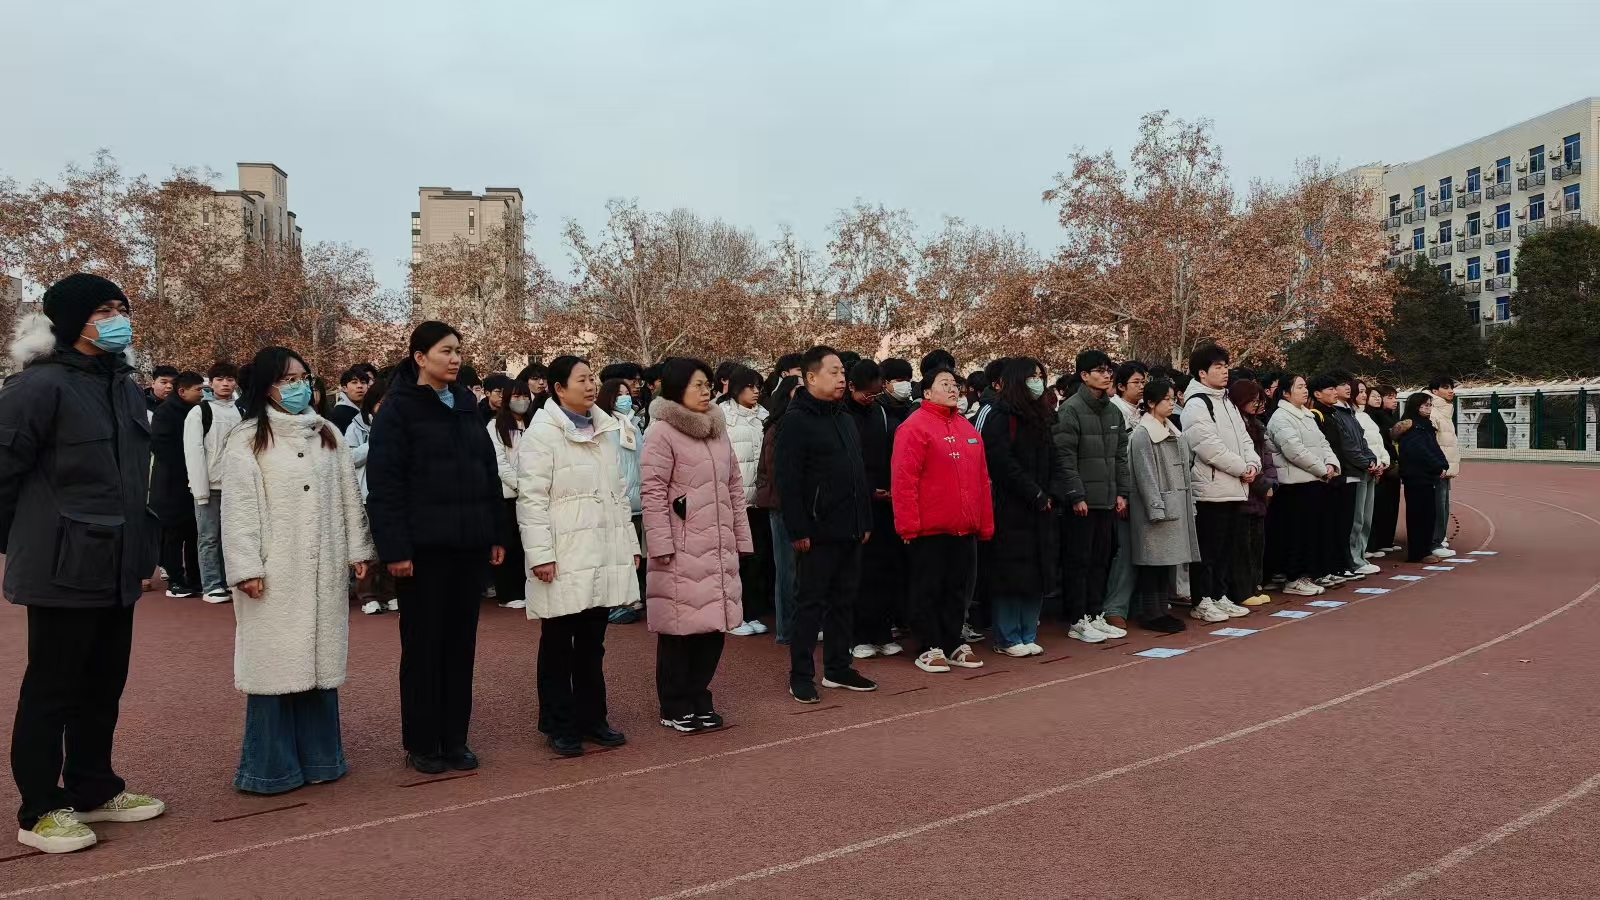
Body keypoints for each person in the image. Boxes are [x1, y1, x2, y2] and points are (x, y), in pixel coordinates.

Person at [2, 273, 165, 853]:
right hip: (59, 568)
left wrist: (141, 552)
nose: (117, 318)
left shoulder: (124, 386)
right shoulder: (37, 386)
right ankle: (40, 809)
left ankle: (94, 787)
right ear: (72, 321)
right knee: (53, 688)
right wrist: (24, 543)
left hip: (115, 565)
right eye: (103, 310)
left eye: (121, 307)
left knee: (103, 684)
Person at [220, 346, 373, 794]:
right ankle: (268, 769)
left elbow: (348, 494)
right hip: (275, 568)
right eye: (288, 379)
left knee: (321, 663)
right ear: (266, 385)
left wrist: (357, 547)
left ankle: (323, 759)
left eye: (303, 378)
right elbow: (239, 509)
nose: (299, 386)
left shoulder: (326, 432)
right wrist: (246, 566)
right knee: (274, 665)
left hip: (323, 568)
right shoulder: (248, 437)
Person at [367, 322, 504, 775]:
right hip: (422, 551)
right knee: (424, 647)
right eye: (446, 350)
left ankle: (455, 739)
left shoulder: (465, 404)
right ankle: (423, 743)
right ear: (420, 357)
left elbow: (487, 472)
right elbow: (385, 484)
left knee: (460, 646)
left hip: (467, 546)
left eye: (458, 350)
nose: (455, 358)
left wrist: (494, 533)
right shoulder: (398, 408)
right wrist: (395, 549)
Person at [517, 355, 639, 757]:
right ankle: (558, 723)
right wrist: (540, 555)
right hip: (562, 553)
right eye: (581, 380)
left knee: (592, 642)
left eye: (592, 379)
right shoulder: (542, 434)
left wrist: (629, 545)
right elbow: (531, 500)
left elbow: (618, 495)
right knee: (557, 643)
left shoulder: (603, 429)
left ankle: (592, 718)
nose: (590, 386)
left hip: (600, 550)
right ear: (558, 389)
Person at [640, 358, 752, 731]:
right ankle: (674, 703)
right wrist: (660, 543)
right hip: (681, 545)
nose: (706, 392)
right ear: (676, 389)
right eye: (697, 385)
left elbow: (734, 487)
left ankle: (699, 694)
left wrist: (741, 537)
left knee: (714, 626)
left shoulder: (717, 429)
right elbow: (653, 492)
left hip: (718, 545)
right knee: (679, 629)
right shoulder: (662, 431)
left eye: (708, 385)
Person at [774, 346, 877, 702]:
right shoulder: (796, 420)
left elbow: (857, 473)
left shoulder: (844, 417)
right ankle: (801, 675)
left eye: (842, 372)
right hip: (818, 530)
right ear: (810, 377)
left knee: (844, 600)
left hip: (851, 526)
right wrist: (798, 529)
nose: (841, 378)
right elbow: (788, 480)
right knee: (810, 604)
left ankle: (838, 668)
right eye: (833, 372)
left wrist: (864, 518)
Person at [892, 367, 994, 672]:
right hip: (929, 527)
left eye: (955, 384)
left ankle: (952, 642)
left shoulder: (967, 429)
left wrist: (984, 523)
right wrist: (908, 525)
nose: (952, 389)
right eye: (944, 384)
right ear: (926, 392)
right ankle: (929, 645)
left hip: (963, 526)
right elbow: (903, 480)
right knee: (928, 588)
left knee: (957, 588)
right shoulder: (914, 427)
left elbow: (982, 480)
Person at [979, 357, 1068, 657]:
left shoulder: (1043, 415)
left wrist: (1053, 492)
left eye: (1040, 376)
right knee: (1011, 574)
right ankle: (1007, 637)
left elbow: (1055, 458)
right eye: (1031, 376)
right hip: (1012, 508)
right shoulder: (1001, 415)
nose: (1037, 382)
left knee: (1037, 572)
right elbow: (1001, 463)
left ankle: (1028, 632)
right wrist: (1034, 493)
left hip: (1042, 507)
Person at [1053, 350, 1132, 643]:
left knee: (1102, 560)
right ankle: (1078, 619)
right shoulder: (1070, 410)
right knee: (1079, 561)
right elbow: (1064, 457)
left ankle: (1095, 613)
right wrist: (1076, 494)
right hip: (1083, 501)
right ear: (1084, 376)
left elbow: (1120, 456)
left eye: (1108, 369)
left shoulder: (1113, 411)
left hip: (1107, 500)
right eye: (1099, 370)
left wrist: (1122, 492)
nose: (1107, 375)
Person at [1180, 344, 1257, 623]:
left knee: (1226, 548)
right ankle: (1202, 600)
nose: (1225, 371)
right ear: (1202, 373)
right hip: (1210, 490)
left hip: (1234, 487)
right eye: (1218, 367)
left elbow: (1245, 439)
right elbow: (1207, 446)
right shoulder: (1197, 404)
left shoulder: (1226, 401)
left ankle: (1220, 595)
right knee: (1208, 550)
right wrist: (1242, 468)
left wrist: (1253, 464)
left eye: (1226, 366)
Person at [843, 359, 905, 659]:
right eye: (866, 393)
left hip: (884, 502)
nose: (871, 398)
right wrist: (868, 490)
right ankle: (858, 636)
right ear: (851, 386)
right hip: (853, 504)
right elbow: (843, 464)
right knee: (859, 573)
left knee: (884, 569)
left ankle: (882, 632)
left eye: (876, 392)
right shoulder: (841, 414)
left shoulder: (880, 412)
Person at [1126, 378, 1199, 633]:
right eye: (1165, 399)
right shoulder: (1143, 434)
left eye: (1171, 398)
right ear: (1150, 403)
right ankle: (1150, 613)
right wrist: (1156, 507)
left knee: (1165, 562)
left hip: (1173, 505)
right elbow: (1144, 475)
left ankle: (1160, 611)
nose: (1171, 403)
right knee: (1151, 563)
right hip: (1157, 508)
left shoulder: (1172, 431)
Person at [1264, 374, 1338, 596]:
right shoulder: (1281, 418)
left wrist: (1331, 464)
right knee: (1296, 534)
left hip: (1313, 482)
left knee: (1310, 533)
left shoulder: (1307, 415)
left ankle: (1306, 575)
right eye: (1299, 387)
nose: (1305, 391)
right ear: (1286, 393)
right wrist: (1322, 469)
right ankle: (1293, 578)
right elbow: (1294, 451)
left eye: (1305, 386)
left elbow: (1323, 443)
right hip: (1294, 486)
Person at [718, 365, 771, 636]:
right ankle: (732, 616)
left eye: (758, 386)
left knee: (755, 560)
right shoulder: (721, 416)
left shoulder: (764, 416)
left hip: (758, 501)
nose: (756, 391)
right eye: (750, 386)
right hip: (731, 501)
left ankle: (751, 612)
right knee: (731, 561)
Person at [184, 361, 241, 603]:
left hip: (236, 486)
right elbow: (194, 451)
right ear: (211, 382)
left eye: (230, 379)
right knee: (208, 537)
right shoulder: (200, 412)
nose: (225, 384)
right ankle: (211, 585)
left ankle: (230, 581)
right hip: (209, 486)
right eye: (220, 379)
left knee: (233, 537)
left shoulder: (241, 411)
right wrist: (200, 489)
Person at [1311, 373, 1376, 582]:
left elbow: (1361, 440)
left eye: (1348, 384)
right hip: (1345, 473)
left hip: (1357, 470)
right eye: (1338, 385)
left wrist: (1372, 459)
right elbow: (1345, 446)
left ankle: (1354, 558)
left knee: (1359, 518)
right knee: (1349, 521)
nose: (1347, 388)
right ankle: (1348, 561)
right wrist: (1365, 462)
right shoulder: (1324, 414)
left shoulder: (1347, 413)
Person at [753, 374, 801, 644]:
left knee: (796, 569)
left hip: (791, 505)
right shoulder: (779, 427)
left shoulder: (793, 423)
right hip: (782, 506)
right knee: (787, 569)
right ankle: (787, 629)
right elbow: (777, 473)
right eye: (798, 389)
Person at [151, 370, 205, 598]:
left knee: (194, 533)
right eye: (198, 390)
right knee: (173, 534)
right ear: (182, 391)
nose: (202, 394)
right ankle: (175, 580)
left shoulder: (199, 410)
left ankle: (195, 579)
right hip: (171, 483)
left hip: (193, 481)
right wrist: (188, 466)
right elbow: (161, 447)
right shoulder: (165, 413)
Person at [1102, 360, 1147, 628]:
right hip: (1122, 490)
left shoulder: (1144, 412)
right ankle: (1115, 606)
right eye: (1136, 382)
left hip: (1144, 488)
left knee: (1143, 548)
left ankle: (1139, 603)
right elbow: (1117, 456)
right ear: (1120, 386)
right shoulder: (1114, 411)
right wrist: (1122, 492)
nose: (1141, 387)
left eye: (1144, 382)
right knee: (1124, 551)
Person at [598, 377, 646, 622]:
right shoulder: (603, 425)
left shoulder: (634, 424)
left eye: (626, 392)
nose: (624, 397)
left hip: (638, 498)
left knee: (635, 552)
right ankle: (615, 602)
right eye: (618, 394)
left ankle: (631, 595)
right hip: (617, 496)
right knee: (617, 551)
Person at [345, 380, 395, 615]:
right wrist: (372, 442)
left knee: (390, 546)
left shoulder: (400, 425)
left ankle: (390, 593)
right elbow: (349, 458)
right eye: (380, 403)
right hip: (366, 495)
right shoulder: (356, 426)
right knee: (368, 548)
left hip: (392, 493)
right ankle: (367, 596)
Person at [1227, 378, 1276, 606]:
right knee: (1243, 546)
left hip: (1259, 492)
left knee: (1257, 543)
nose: (1257, 404)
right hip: (1245, 492)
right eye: (1252, 400)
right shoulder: (1236, 425)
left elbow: (1267, 459)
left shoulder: (1257, 425)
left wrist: (1270, 483)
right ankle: (1244, 590)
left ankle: (1255, 586)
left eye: (1259, 400)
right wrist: (1263, 484)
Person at [487, 380, 533, 611]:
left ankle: (527, 589)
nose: (521, 401)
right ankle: (508, 593)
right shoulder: (495, 426)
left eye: (525, 396)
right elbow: (499, 462)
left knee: (528, 544)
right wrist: (520, 484)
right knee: (509, 544)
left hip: (533, 494)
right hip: (508, 495)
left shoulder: (534, 424)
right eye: (516, 396)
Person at [1395, 392, 1451, 563]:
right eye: (1425, 405)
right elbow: (1419, 451)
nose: (1429, 408)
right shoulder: (1411, 426)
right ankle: (1418, 552)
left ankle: (1426, 548)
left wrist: (1443, 465)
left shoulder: (1426, 425)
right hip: (1415, 476)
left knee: (1429, 514)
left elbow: (1434, 448)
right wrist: (1437, 466)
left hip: (1427, 476)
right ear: (1416, 406)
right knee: (1418, 515)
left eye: (1430, 405)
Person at [1351, 380, 1391, 569]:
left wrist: (1383, 462)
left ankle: (1361, 555)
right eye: (1359, 391)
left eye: (1364, 391)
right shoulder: (1348, 416)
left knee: (1367, 517)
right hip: (1361, 470)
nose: (1363, 395)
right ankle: (1355, 558)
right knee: (1357, 517)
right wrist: (1369, 463)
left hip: (1373, 469)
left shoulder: (1365, 416)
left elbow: (1378, 443)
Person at [1366, 385, 1404, 556]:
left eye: (1395, 397)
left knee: (1391, 505)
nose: (1394, 401)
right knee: (1378, 507)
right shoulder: (1368, 417)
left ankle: (1386, 540)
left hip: (1391, 464)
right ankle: (1374, 543)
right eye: (1389, 397)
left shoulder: (1388, 416)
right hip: (1379, 467)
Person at [1427, 376, 1460, 556]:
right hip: (1438, 468)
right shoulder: (1433, 412)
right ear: (1434, 391)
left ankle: (1439, 538)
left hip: (1445, 467)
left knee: (1444, 505)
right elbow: (1431, 441)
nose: (1451, 390)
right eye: (1446, 387)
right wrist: (1437, 464)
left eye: (1452, 387)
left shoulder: (1446, 411)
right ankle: (1434, 542)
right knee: (1438, 505)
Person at [329, 367, 367, 433]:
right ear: (344, 388)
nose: (360, 386)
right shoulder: (339, 414)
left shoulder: (369, 410)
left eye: (363, 382)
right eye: (354, 382)